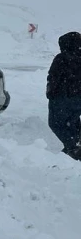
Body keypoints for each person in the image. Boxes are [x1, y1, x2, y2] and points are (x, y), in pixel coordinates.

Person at [47, 31, 81, 159]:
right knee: (72, 122)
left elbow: (53, 77)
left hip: (62, 97)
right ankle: (71, 148)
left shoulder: (62, 58)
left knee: (55, 123)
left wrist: (50, 93)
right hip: (78, 99)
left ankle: (73, 148)